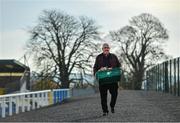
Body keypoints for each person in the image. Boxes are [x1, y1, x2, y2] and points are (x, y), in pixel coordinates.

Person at [93, 43, 121, 116]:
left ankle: (112, 105)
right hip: (103, 80)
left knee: (115, 94)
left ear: (109, 49)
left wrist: (113, 69)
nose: (106, 49)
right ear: (102, 49)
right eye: (105, 48)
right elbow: (95, 68)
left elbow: (119, 66)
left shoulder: (114, 56)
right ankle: (105, 111)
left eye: (107, 47)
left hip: (113, 79)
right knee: (103, 97)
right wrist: (98, 72)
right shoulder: (98, 57)